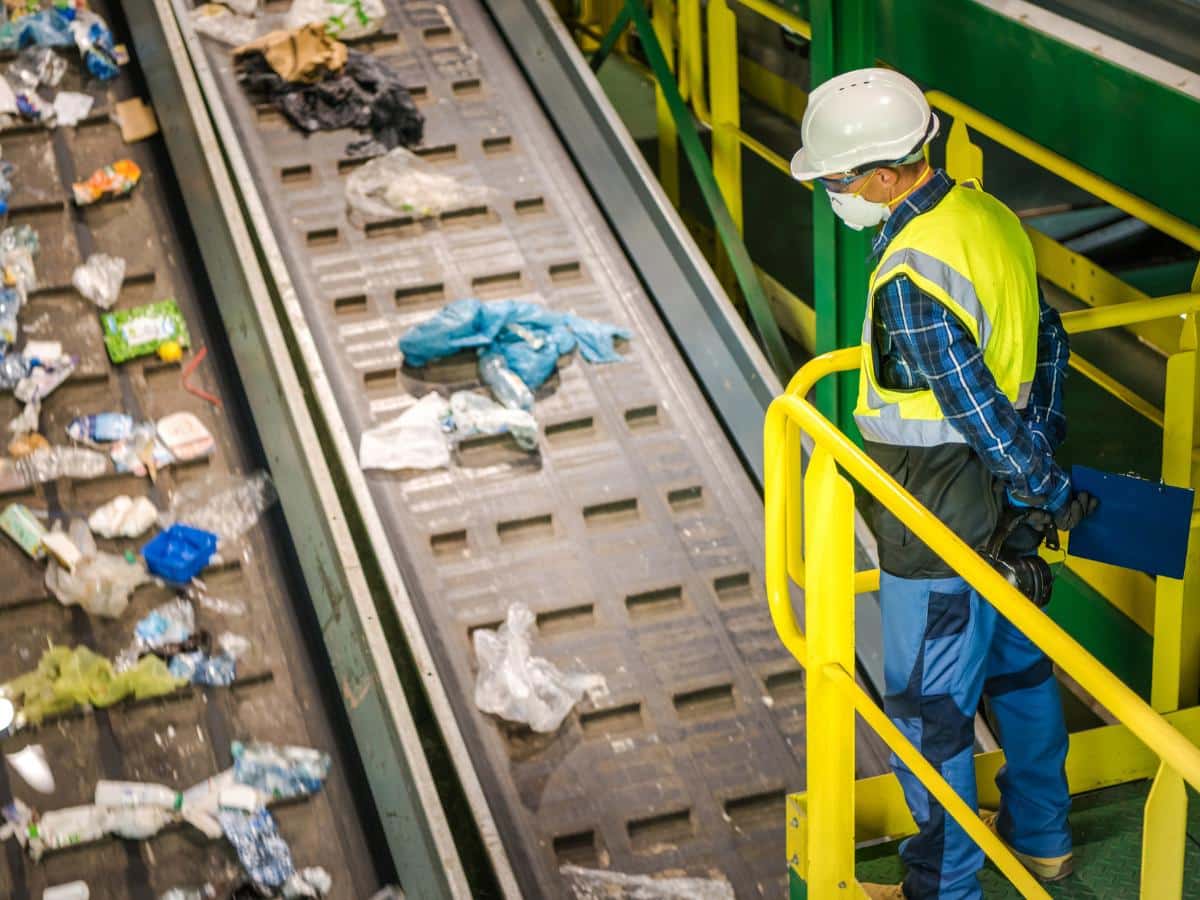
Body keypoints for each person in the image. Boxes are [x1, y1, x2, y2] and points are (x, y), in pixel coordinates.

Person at [789, 68, 1097, 900]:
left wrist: (1039, 483)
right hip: (1007, 505)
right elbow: (1050, 346)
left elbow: (975, 409)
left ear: (888, 174)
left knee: (929, 713)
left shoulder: (911, 277)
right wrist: (1043, 478)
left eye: (840, 178)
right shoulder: (987, 218)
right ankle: (1042, 840)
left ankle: (945, 887)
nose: (834, 191)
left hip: (938, 515)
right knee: (1021, 672)